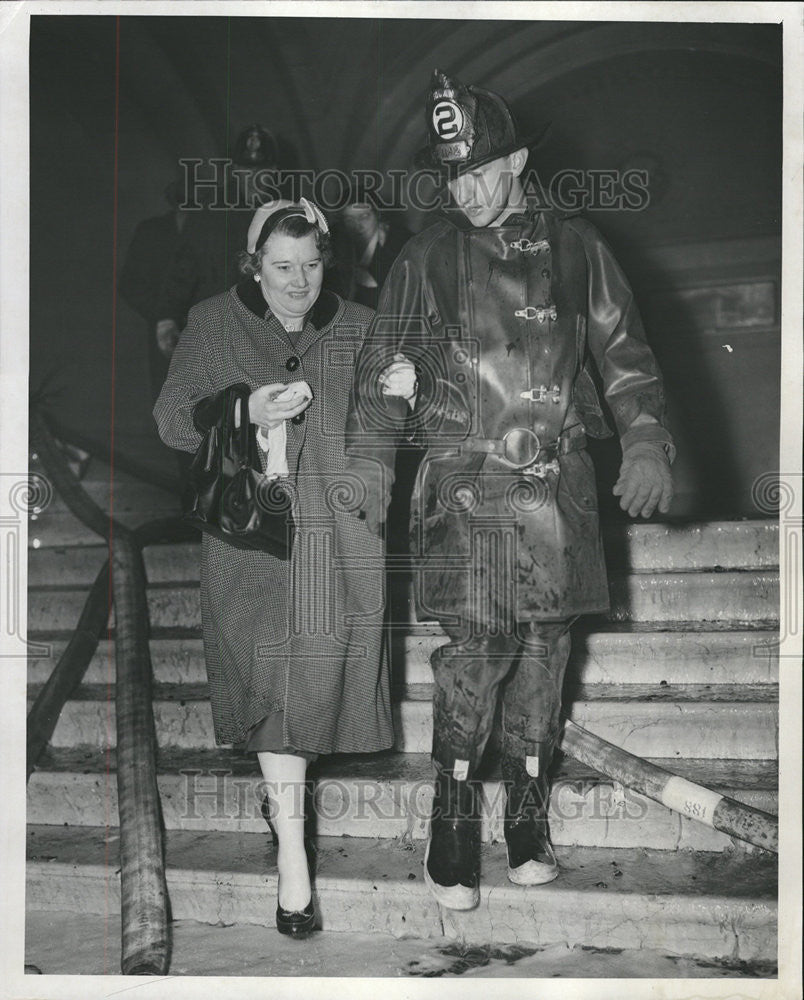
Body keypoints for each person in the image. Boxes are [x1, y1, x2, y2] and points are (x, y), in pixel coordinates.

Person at [345, 71, 675, 910]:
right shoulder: (425, 258)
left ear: (519, 160)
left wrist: (644, 437)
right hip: (465, 488)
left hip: (557, 488)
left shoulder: (576, 245)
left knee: (544, 659)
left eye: (480, 170)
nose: (466, 190)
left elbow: (623, 348)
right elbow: (383, 375)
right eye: (452, 176)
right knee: (480, 653)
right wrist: (371, 468)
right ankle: (451, 824)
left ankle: (526, 825)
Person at [154, 199, 393, 937]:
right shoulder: (213, 321)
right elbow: (168, 418)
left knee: (306, 696)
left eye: (313, 266)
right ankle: (294, 863)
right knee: (272, 695)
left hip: (331, 540)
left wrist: (399, 406)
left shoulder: (360, 326)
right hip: (247, 540)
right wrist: (244, 408)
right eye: (282, 268)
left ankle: (284, 813)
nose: (298, 283)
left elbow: (392, 424)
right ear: (254, 266)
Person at [154, 124, 282, 354]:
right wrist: (167, 317)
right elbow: (184, 265)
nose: (253, 178)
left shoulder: (286, 214)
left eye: (261, 171)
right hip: (218, 329)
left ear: (273, 170)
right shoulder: (211, 211)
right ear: (234, 170)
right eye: (246, 170)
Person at [118, 178, 188, 400]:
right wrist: (163, 316)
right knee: (169, 404)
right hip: (166, 337)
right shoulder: (151, 231)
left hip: (211, 334)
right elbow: (130, 284)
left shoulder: (215, 234)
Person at [329, 186, 411, 310]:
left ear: (377, 214)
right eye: (349, 219)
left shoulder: (402, 242)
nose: (357, 226)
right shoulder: (334, 239)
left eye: (364, 217)